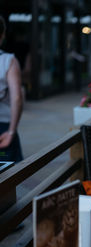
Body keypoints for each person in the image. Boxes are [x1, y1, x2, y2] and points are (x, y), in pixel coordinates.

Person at [0, 16, 23, 162]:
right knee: (8, 173)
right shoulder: (8, 61)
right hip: (3, 126)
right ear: (2, 35)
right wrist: (11, 131)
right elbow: (17, 98)